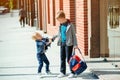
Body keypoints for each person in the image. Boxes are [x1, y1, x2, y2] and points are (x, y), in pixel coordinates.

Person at [56, 10, 78, 78]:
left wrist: (75, 44)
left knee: (69, 59)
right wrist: (53, 39)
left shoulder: (70, 25)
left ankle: (73, 72)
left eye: (59, 20)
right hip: (62, 43)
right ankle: (62, 72)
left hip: (69, 44)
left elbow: (74, 35)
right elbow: (58, 34)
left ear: (63, 18)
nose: (59, 21)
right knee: (62, 58)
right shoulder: (61, 25)